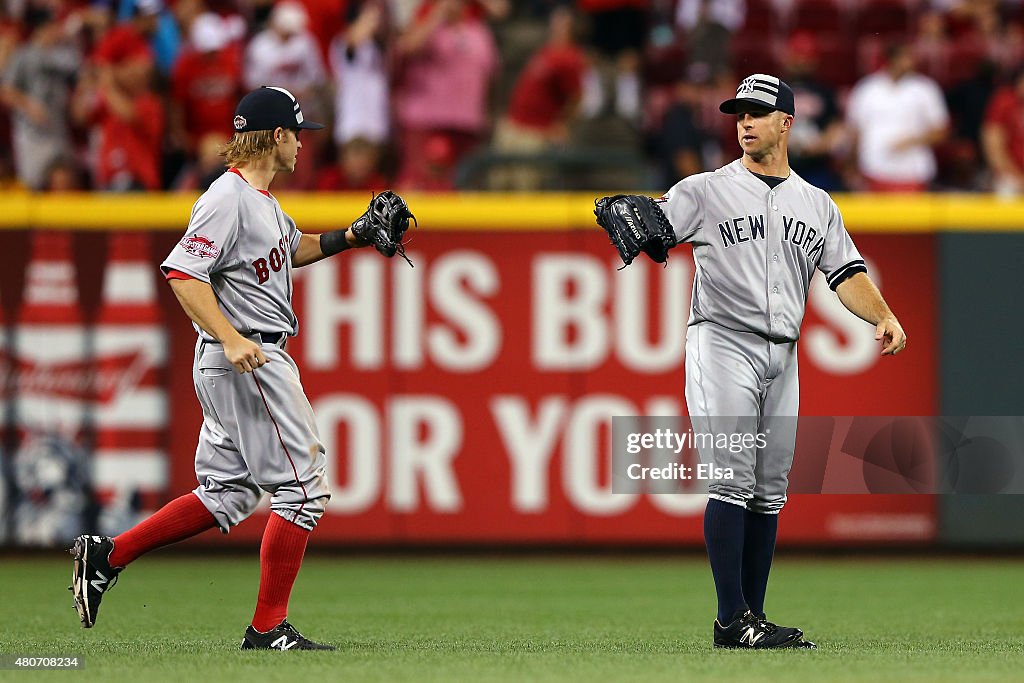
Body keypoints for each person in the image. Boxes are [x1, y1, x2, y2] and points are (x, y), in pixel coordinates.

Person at [69, 86, 408, 651]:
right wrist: (228, 338)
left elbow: (287, 249)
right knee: (303, 491)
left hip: (241, 356)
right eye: (298, 133)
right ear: (276, 136)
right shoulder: (228, 198)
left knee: (226, 493)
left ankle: (108, 555)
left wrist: (352, 236)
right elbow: (182, 273)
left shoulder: (262, 200)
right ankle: (268, 628)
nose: (303, 144)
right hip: (248, 355)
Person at [603, 73, 907, 648]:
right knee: (731, 480)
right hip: (722, 343)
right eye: (738, 113)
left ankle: (754, 618)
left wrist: (884, 315)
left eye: (756, 113)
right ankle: (729, 619)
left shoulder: (816, 203)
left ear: (786, 123)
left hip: (783, 353)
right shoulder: (706, 190)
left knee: (770, 489)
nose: (743, 122)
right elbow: (656, 227)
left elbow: (845, 274)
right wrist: (646, 226)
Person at [846, 42, 949, 192]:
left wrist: (912, 140)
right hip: (873, 167)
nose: (912, 62)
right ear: (891, 59)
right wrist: (852, 166)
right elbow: (855, 131)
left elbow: (941, 131)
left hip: (912, 171)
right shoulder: (867, 88)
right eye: (906, 57)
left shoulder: (926, 89)